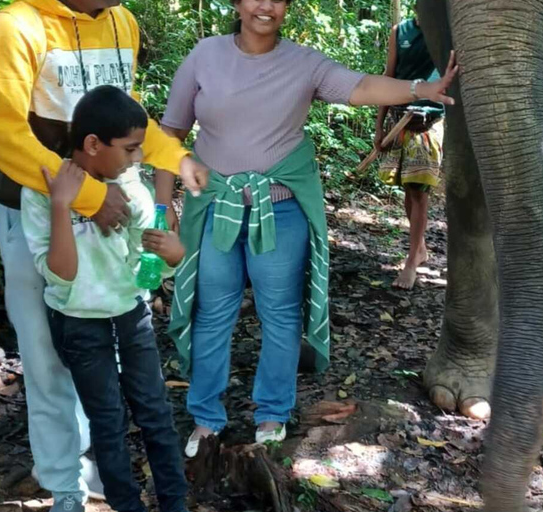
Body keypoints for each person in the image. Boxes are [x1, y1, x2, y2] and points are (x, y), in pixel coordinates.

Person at [155, 0, 458, 458]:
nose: (265, 6)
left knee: (280, 315)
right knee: (212, 314)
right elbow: (171, 131)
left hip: (280, 213)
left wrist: (423, 88)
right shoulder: (205, 55)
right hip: (216, 209)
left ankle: (272, 413)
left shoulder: (303, 62)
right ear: (237, 4)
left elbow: (359, 87)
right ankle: (206, 419)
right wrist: (164, 203)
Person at [0, 1, 206, 510]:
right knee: (45, 354)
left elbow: (130, 116)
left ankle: (108, 473)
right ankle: (64, 486)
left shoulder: (121, 21)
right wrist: (87, 199)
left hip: (114, 203)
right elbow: (3, 133)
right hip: (38, 207)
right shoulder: (18, 25)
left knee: (109, 351)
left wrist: (174, 158)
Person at [21, 85, 189, 512]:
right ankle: (125, 505)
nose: (136, 160)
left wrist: (172, 256)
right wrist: (63, 206)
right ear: (93, 144)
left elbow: (145, 264)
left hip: (130, 316)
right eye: (130, 149)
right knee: (108, 423)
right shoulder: (44, 188)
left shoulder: (131, 185)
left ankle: (175, 504)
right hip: (78, 322)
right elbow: (61, 274)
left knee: (155, 414)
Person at [375, 14, 445, 290]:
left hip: (429, 122)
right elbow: (388, 77)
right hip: (399, 118)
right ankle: (420, 248)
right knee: (408, 188)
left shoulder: (445, 29)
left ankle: (411, 262)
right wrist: (379, 126)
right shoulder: (399, 31)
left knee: (419, 191)